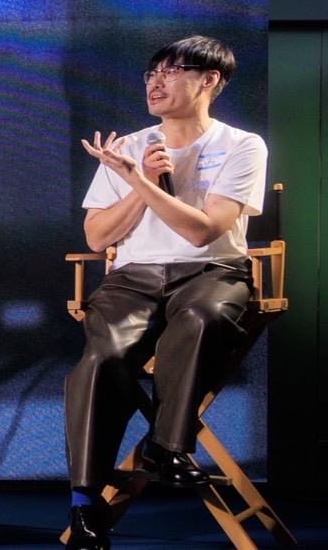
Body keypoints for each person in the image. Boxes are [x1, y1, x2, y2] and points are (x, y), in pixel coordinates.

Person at [64, 36, 266, 550]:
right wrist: (138, 180)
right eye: (152, 73)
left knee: (201, 319)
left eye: (172, 71)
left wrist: (140, 181)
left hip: (211, 270)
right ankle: (85, 503)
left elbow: (203, 231)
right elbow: (97, 237)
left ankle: (167, 445)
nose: (156, 82)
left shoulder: (241, 145)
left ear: (209, 80)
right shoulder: (126, 148)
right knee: (99, 361)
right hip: (133, 276)